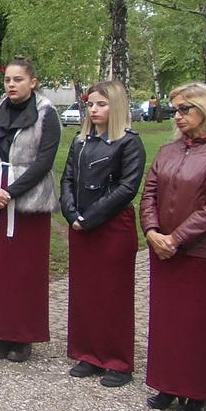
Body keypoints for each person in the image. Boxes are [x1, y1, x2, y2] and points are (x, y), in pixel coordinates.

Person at [0, 57, 60, 364]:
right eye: (8, 79)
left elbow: (44, 162)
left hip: (28, 202)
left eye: (18, 79)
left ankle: (23, 336)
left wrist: (12, 192)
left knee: (26, 271)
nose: (11, 84)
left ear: (32, 81)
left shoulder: (47, 113)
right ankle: (1, 331)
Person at [59, 80, 144, 388]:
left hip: (112, 226)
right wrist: (71, 214)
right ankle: (89, 354)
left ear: (116, 106)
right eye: (91, 104)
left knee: (113, 293)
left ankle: (117, 360)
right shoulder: (80, 141)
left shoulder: (129, 142)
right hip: (81, 223)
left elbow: (127, 188)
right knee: (85, 291)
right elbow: (67, 178)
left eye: (101, 104)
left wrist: (91, 218)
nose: (94, 110)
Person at [139, 82, 206, 411]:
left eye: (186, 109)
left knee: (195, 324)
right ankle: (165, 384)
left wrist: (176, 238)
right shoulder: (167, 150)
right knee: (165, 321)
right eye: (176, 110)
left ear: (204, 110)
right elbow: (149, 192)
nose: (179, 116)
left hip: (198, 252)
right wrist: (153, 232)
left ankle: (196, 391)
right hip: (162, 249)